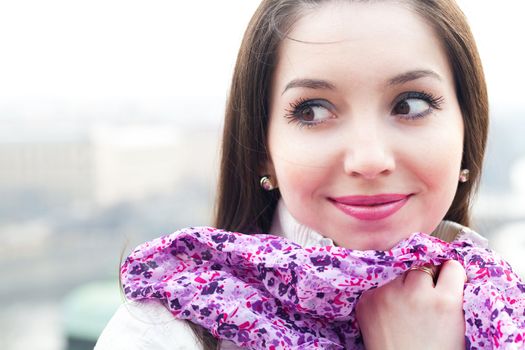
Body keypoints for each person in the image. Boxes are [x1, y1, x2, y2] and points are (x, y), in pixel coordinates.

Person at [96, 0, 525, 349]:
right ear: (264, 150)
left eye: (410, 104)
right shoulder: (164, 334)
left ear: (467, 134)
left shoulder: (506, 312)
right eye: (313, 111)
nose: (369, 159)